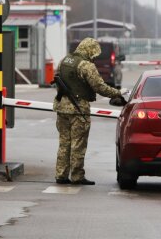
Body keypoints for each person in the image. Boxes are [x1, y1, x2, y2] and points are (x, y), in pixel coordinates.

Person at [53, 38, 126, 185]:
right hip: (79, 109)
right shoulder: (86, 66)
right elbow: (100, 87)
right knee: (78, 144)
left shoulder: (64, 61)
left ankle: (61, 175)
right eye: (94, 53)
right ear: (90, 50)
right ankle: (77, 176)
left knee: (64, 143)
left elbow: (56, 80)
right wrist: (117, 93)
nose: (94, 56)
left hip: (61, 107)